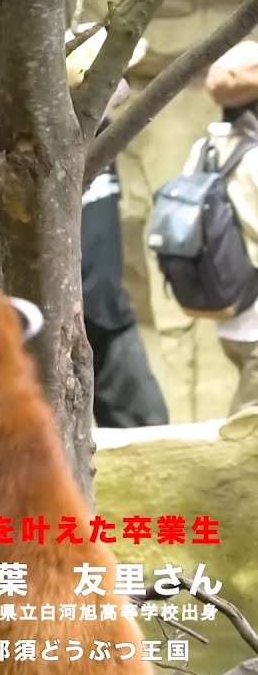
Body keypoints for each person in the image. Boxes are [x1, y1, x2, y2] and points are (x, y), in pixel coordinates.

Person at [66, 24, 169, 428]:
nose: (123, 83)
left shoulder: (103, 133)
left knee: (147, 425)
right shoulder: (55, 144)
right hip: (73, 310)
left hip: (107, 309)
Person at [185, 40, 258, 417]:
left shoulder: (204, 149)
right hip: (255, 316)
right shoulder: (254, 158)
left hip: (228, 307)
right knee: (249, 428)